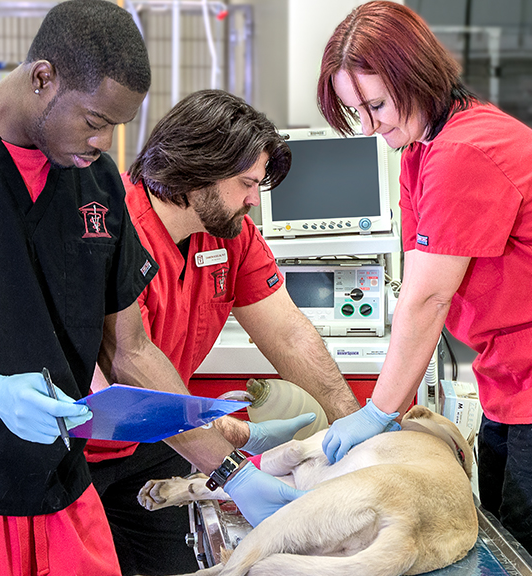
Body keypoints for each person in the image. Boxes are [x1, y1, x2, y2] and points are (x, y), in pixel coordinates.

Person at [0, 2, 301, 575]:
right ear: (43, 77)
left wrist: (233, 472)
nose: (104, 142)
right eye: (95, 120)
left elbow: (131, 351)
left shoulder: (94, 182)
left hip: (58, 481)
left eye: (117, 127)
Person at [314, 3, 532, 575]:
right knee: (491, 539)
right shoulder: (422, 148)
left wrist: (380, 410)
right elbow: (424, 276)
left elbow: (427, 298)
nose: (369, 127)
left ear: (415, 74)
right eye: (356, 111)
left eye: (376, 105)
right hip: (518, 369)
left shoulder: (465, 150)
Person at [86, 89, 363, 575]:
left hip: (156, 444)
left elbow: (289, 334)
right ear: (195, 173)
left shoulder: (230, 234)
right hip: (71, 452)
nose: (254, 201)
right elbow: (129, 366)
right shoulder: (111, 229)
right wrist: (230, 468)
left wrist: (354, 428)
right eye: (245, 183)